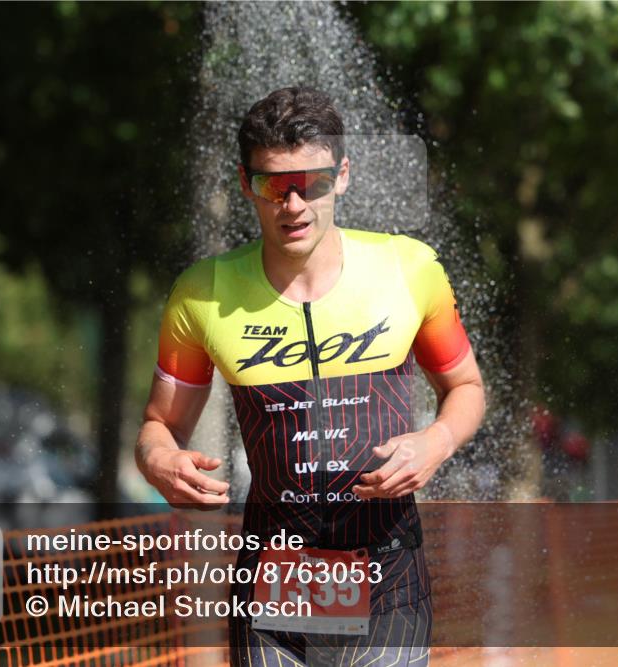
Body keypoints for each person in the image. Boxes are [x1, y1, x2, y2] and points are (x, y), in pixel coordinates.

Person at [135, 87, 485, 667]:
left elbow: (466, 388)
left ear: (342, 176)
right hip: (277, 579)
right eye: (275, 186)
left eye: (313, 183)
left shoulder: (409, 269)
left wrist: (437, 441)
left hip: (388, 574)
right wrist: (157, 460)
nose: (294, 205)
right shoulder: (202, 293)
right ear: (247, 184)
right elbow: (158, 425)